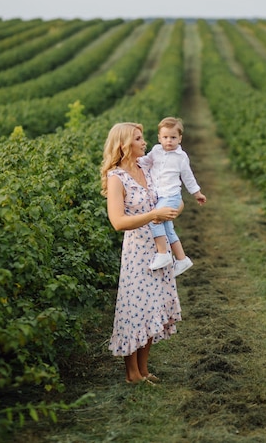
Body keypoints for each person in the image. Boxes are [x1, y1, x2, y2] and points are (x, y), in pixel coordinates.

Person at [100, 122, 182, 385]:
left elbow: (171, 191)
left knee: (154, 308)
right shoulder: (116, 177)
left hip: (159, 248)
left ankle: (144, 370)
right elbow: (118, 222)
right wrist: (153, 215)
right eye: (138, 138)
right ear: (124, 145)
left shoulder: (146, 167)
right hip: (137, 250)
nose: (144, 142)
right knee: (135, 309)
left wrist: (175, 207)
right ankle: (131, 374)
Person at [139, 116, 206, 277]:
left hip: (171, 196)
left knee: (155, 219)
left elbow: (188, 177)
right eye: (165, 137)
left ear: (180, 138)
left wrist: (197, 193)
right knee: (168, 230)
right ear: (159, 138)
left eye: (173, 137)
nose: (169, 141)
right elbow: (146, 162)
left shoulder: (181, 157)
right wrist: (132, 160)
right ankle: (182, 259)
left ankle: (163, 253)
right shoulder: (156, 151)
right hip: (159, 196)